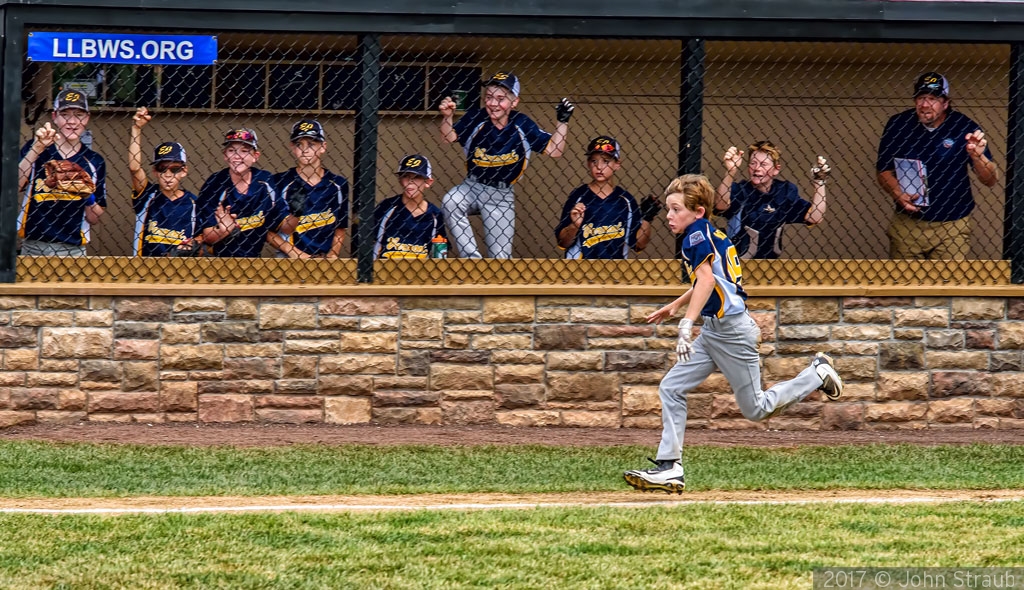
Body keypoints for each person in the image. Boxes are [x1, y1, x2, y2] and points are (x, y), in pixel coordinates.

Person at [623, 174, 844, 494]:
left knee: (756, 408)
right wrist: (676, 306)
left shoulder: (694, 236)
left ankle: (815, 374)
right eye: (668, 209)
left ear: (698, 211)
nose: (669, 216)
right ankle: (669, 467)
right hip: (716, 330)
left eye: (675, 209)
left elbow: (707, 282)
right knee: (671, 387)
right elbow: (710, 279)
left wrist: (686, 323)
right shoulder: (706, 232)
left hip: (734, 332)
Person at [438, 71, 573, 258]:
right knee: (451, 202)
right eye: (489, 97)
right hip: (472, 186)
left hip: (501, 195)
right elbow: (448, 137)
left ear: (514, 102)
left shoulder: (521, 124)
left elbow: (555, 150)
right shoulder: (477, 117)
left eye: (501, 98)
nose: (493, 104)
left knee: (501, 260)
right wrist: (447, 117)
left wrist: (562, 122)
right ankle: (471, 259)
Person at [876, 72, 999, 260]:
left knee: (947, 285)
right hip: (908, 223)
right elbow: (883, 170)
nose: (925, 104)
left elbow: (990, 180)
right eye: (921, 98)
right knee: (903, 286)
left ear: (945, 103)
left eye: (933, 99)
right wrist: (897, 192)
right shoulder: (898, 124)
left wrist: (977, 157)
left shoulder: (963, 127)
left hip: (952, 224)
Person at [17, 88, 106, 256]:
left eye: (79, 115)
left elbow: (94, 219)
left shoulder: (94, 161)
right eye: (65, 114)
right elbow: (14, 185)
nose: (72, 121)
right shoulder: (35, 148)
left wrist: (88, 196)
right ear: (54, 117)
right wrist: (37, 148)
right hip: (34, 244)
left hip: (73, 248)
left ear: (86, 118)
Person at [715, 140, 830, 259]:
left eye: (763, 164)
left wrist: (819, 183)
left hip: (771, 265)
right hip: (738, 265)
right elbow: (720, 205)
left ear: (776, 169)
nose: (757, 168)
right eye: (753, 163)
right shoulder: (740, 190)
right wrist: (731, 171)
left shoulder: (784, 192)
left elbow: (815, 217)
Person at [554, 136, 661, 259]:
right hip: (579, 272)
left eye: (606, 161)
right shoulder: (578, 196)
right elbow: (562, 242)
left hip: (615, 273)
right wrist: (574, 226)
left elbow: (638, 245)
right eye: (594, 161)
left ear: (617, 164)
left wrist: (647, 219)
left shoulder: (626, 200)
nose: (599, 166)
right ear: (588, 163)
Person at [198, 128, 298, 257]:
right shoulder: (215, 183)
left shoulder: (265, 181)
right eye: (231, 150)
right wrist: (224, 230)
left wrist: (296, 213)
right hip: (217, 258)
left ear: (255, 156)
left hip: (254, 258)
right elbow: (207, 237)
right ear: (225, 155)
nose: (237, 156)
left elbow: (285, 228)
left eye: (244, 151)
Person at [269, 119, 350, 259]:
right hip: (289, 257)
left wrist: (333, 253)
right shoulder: (280, 182)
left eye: (311, 144)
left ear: (323, 147)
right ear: (293, 148)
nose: (305, 150)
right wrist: (295, 253)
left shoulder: (337, 184)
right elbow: (268, 232)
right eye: (299, 144)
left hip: (324, 257)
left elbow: (340, 227)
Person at [127, 107, 201, 257]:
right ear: (155, 172)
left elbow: (200, 239)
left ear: (184, 171)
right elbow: (134, 168)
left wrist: (193, 245)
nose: (168, 175)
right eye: (162, 169)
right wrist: (136, 130)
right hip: (144, 270)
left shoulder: (194, 203)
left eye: (174, 169)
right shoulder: (147, 195)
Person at [372, 154, 447, 259]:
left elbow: (440, 253)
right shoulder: (386, 207)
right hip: (383, 272)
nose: (410, 182)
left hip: (420, 272)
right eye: (406, 176)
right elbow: (366, 242)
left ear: (428, 182)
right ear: (400, 180)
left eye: (417, 177)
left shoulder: (435, 214)